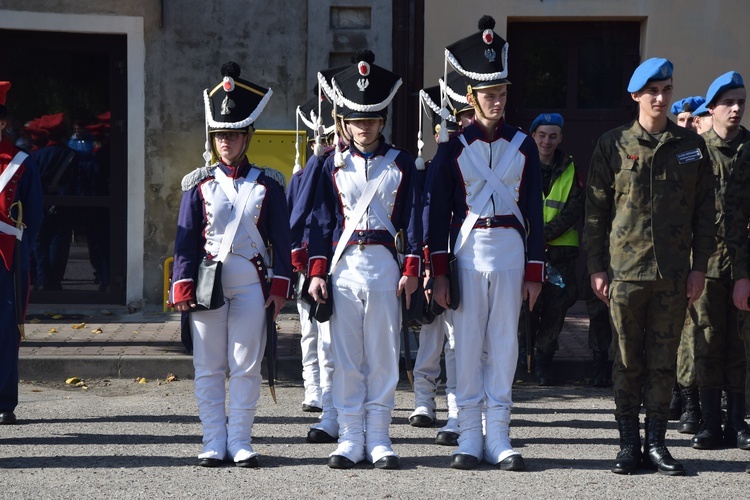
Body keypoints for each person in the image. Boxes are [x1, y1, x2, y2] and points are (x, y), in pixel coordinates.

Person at [584, 57, 715, 476]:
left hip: (674, 275)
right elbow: (595, 212)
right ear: (636, 96)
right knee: (625, 359)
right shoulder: (613, 144)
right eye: (652, 91)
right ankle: (627, 445)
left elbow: (704, 212)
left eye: (667, 90)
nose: (660, 98)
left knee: (663, 360)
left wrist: (699, 268)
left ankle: (656, 443)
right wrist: (597, 266)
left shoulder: (691, 146)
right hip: (624, 273)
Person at [425, 15, 545, 471]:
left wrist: (535, 271)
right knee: (468, 344)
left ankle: (500, 435)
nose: (497, 102)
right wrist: (438, 272)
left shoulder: (523, 145)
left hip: (512, 253)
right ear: (471, 98)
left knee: (505, 345)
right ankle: (470, 436)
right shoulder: (453, 148)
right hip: (468, 253)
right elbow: (437, 215)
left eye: (502, 93)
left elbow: (532, 209)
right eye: (488, 95)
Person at [170, 62, 292, 468]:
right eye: (220, 134)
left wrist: (279, 289)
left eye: (234, 134)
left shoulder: (268, 184)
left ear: (248, 136)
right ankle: (212, 439)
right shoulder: (197, 184)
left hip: (251, 284)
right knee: (208, 366)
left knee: (245, 365)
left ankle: (240, 438)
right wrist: (181, 285)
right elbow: (186, 239)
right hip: (208, 284)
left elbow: (282, 240)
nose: (226, 142)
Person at [307, 49, 421, 470]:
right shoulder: (329, 166)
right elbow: (319, 222)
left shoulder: (402, 164)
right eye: (357, 119)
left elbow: (414, 218)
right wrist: (317, 272)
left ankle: (379, 437)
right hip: (344, 266)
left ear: (382, 121)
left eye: (371, 119)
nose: (364, 127)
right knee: (347, 357)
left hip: (385, 267)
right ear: (344, 122)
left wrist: (412, 269)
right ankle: (351, 436)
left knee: (384, 355)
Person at [688, 71, 750, 451]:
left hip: (744, 265)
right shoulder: (694, 152)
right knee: (707, 340)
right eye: (729, 102)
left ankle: (738, 422)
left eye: (742, 101)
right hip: (705, 264)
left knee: (740, 343)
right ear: (712, 108)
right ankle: (710, 422)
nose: (737, 108)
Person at [287, 65, 347, 445]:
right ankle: (314, 388)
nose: (323, 142)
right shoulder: (310, 167)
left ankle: (332, 397)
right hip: (309, 259)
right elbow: (296, 214)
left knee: (332, 337)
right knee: (310, 330)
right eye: (318, 138)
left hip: (335, 258)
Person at [518, 113, 583, 386]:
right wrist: (532, 239)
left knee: (555, 311)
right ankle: (524, 361)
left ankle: (544, 363)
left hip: (561, 254)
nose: (547, 141)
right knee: (526, 308)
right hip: (526, 252)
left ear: (561, 138)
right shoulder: (519, 166)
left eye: (553, 136)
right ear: (533, 136)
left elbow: (574, 209)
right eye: (542, 135)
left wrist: (544, 235)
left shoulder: (569, 167)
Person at [0, 81, 44, 425]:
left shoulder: (21, 164)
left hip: (7, 258)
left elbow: (35, 215)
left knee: (6, 329)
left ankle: (3, 402)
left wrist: (22, 254)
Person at [669, 96, 707, 432]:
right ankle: (682, 397)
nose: (688, 125)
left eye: (693, 119)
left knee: (699, 331)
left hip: (709, 252)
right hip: (678, 254)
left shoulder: (702, 155)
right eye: (682, 120)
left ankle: (695, 400)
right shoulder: (674, 155)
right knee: (681, 331)